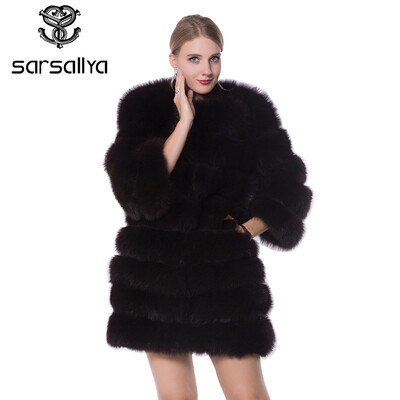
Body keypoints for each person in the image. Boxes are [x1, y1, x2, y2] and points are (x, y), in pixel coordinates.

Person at [103, 14, 313, 400]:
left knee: (249, 395)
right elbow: (138, 194)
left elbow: (289, 187)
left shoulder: (248, 110)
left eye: (214, 58)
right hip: (156, 277)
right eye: (194, 59)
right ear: (173, 60)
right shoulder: (143, 107)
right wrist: (184, 122)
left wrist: (248, 229)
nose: (206, 70)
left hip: (224, 275)